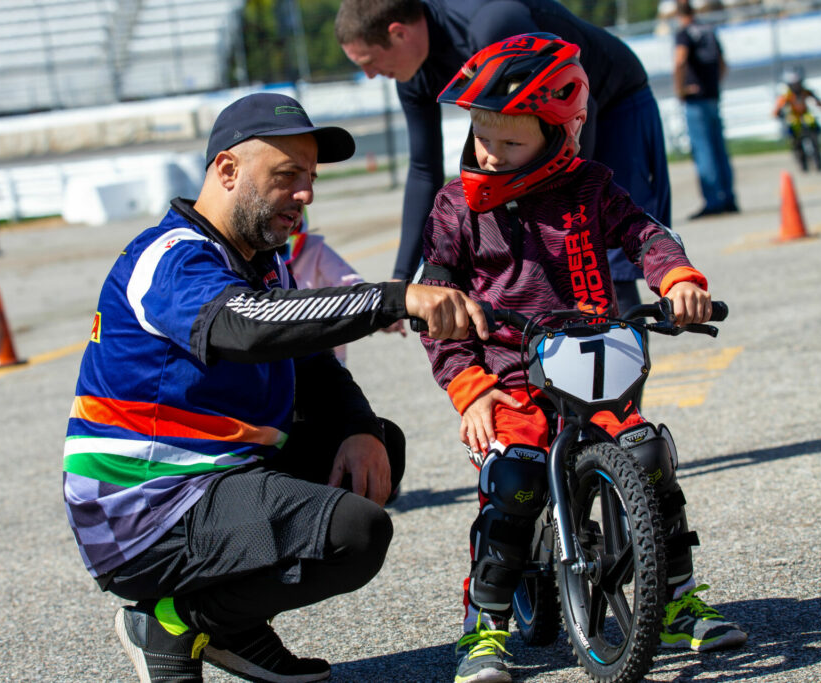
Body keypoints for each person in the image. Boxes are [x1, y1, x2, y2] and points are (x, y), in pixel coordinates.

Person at [62, 92, 489, 683]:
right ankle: (174, 621)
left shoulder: (263, 260)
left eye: (310, 178)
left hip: (215, 478)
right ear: (228, 171)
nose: (306, 194)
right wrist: (392, 297)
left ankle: (229, 625)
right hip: (146, 509)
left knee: (376, 451)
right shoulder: (170, 258)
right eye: (287, 176)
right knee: (354, 534)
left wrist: (358, 427)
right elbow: (244, 326)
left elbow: (312, 364)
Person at [416, 35, 747, 682]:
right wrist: (470, 387)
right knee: (516, 476)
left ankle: (676, 599)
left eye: (509, 142)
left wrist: (676, 278)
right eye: (481, 133)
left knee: (649, 453)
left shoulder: (590, 186)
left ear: (559, 135)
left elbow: (644, 233)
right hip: (510, 375)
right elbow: (438, 306)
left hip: (590, 361)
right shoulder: (454, 208)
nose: (488, 151)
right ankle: (484, 626)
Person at [335, 0, 672, 313]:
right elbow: (424, 169)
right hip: (544, 130)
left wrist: (572, 207)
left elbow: (579, 111)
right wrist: (402, 275)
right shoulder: (412, 73)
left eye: (368, 62)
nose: (370, 75)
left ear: (398, 33)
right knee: (530, 265)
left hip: (609, 102)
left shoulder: (491, 25)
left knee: (599, 264)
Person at [280, 210, 406, 365]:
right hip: (280, 356)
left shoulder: (314, 249)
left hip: (326, 356)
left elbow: (349, 283)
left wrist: (380, 311)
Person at [673, 1, 738, 219]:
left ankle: (713, 201)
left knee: (703, 151)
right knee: (719, 149)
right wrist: (715, 85)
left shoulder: (684, 33)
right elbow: (722, 63)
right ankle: (729, 197)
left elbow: (680, 60)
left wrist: (680, 89)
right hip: (712, 95)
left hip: (695, 98)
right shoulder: (708, 30)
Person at [773, 65, 821, 172]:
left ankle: (819, 163)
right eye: (794, 84)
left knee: (815, 135)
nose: (796, 86)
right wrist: (778, 113)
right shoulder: (786, 95)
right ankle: (803, 164)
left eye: (798, 83)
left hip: (806, 117)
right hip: (794, 120)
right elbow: (777, 108)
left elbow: (817, 101)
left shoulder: (805, 91)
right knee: (796, 142)